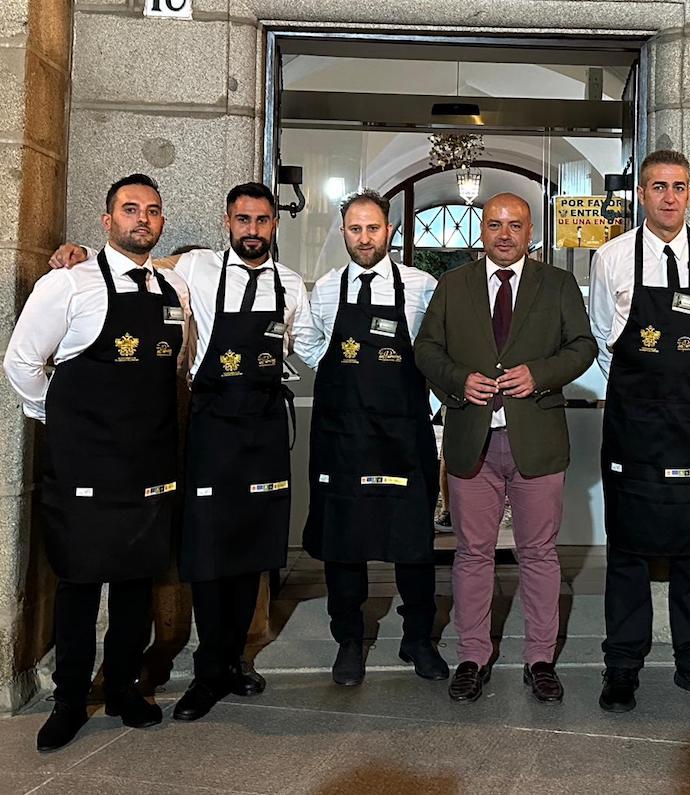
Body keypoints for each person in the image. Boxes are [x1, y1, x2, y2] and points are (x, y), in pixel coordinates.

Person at [49, 182, 311, 721]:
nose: (253, 230)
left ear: (274, 225)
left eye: (262, 220)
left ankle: (235, 660)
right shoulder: (193, 269)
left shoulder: (291, 284)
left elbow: (306, 344)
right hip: (211, 426)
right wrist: (79, 252)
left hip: (263, 429)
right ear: (227, 222)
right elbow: (134, 261)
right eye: (243, 220)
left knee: (253, 551)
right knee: (208, 551)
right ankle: (208, 672)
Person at [5, 174, 190, 751]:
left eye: (152, 211)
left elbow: (176, 365)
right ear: (108, 221)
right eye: (130, 209)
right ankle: (68, 701)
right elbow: (21, 362)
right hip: (85, 465)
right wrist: (59, 417)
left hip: (150, 461)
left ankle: (123, 689)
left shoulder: (174, 288)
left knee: (136, 583)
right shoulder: (69, 283)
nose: (143, 219)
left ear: (161, 223)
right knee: (80, 583)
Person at [414, 192, 596, 704]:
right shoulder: (453, 285)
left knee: (538, 553)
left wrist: (539, 374)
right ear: (482, 230)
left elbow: (583, 347)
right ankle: (472, 657)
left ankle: (540, 660)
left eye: (515, 224)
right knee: (473, 554)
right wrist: (457, 381)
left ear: (530, 231)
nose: (504, 234)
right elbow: (426, 349)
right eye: (494, 224)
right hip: (472, 440)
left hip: (536, 441)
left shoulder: (557, 284)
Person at [589, 149, 690, 713]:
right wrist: (643, 391)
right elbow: (603, 338)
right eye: (658, 187)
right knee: (626, 549)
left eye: (678, 187)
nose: (669, 197)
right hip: (633, 422)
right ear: (642, 194)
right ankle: (622, 666)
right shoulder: (611, 257)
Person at [292, 189, 445, 686]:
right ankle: (349, 640)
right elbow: (308, 341)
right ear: (343, 232)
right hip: (343, 436)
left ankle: (418, 638)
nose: (364, 238)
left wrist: (429, 406)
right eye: (355, 229)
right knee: (344, 543)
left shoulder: (421, 286)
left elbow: (437, 352)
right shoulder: (326, 289)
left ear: (389, 231)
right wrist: (338, 375)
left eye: (373, 228)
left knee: (414, 542)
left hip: (404, 435)